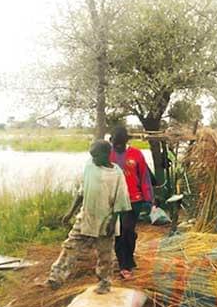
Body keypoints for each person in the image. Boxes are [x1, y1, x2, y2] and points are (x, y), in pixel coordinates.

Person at [47, 140, 132, 294]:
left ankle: (104, 283)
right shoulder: (90, 166)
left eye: (96, 156)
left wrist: (112, 222)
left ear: (107, 155)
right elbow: (82, 191)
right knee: (70, 246)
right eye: (91, 155)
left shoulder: (117, 174)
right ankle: (56, 277)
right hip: (86, 216)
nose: (93, 158)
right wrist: (71, 211)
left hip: (106, 219)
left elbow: (121, 200)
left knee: (105, 254)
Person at [109, 126, 153, 280]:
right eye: (116, 144)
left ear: (126, 141)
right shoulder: (109, 154)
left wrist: (148, 200)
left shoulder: (136, 154)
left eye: (121, 144)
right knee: (119, 232)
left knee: (129, 231)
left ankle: (128, 258)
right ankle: (124, 264)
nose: (118, 147)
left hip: (134, 200)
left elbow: (144, 177)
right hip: (115, 201)